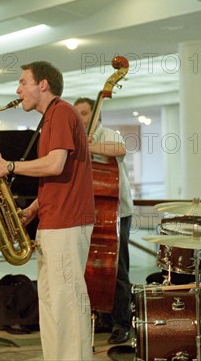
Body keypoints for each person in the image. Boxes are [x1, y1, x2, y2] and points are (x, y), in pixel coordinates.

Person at [0, 61, 95, 360]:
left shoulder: (61, 112)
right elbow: (59, 175)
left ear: (42, 84)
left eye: (23, 82)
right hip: (55, 220)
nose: (18, 90)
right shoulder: (53, 117)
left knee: (67, 303)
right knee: (51, 303)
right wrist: (35, 207)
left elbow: (55, 164)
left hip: (67, 222)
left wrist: (8, 166)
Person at [74, 97, 134, 344]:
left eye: (85, 113)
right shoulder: (76, 139)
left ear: (96, 114)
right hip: (90, 211)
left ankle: (123, 323)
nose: (82, 118)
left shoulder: (110, 135)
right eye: (77, 114)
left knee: (117, 269)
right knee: (95, 268)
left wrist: (88, 148)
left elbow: (120, 150)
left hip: (117, 211)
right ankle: (103, 316)